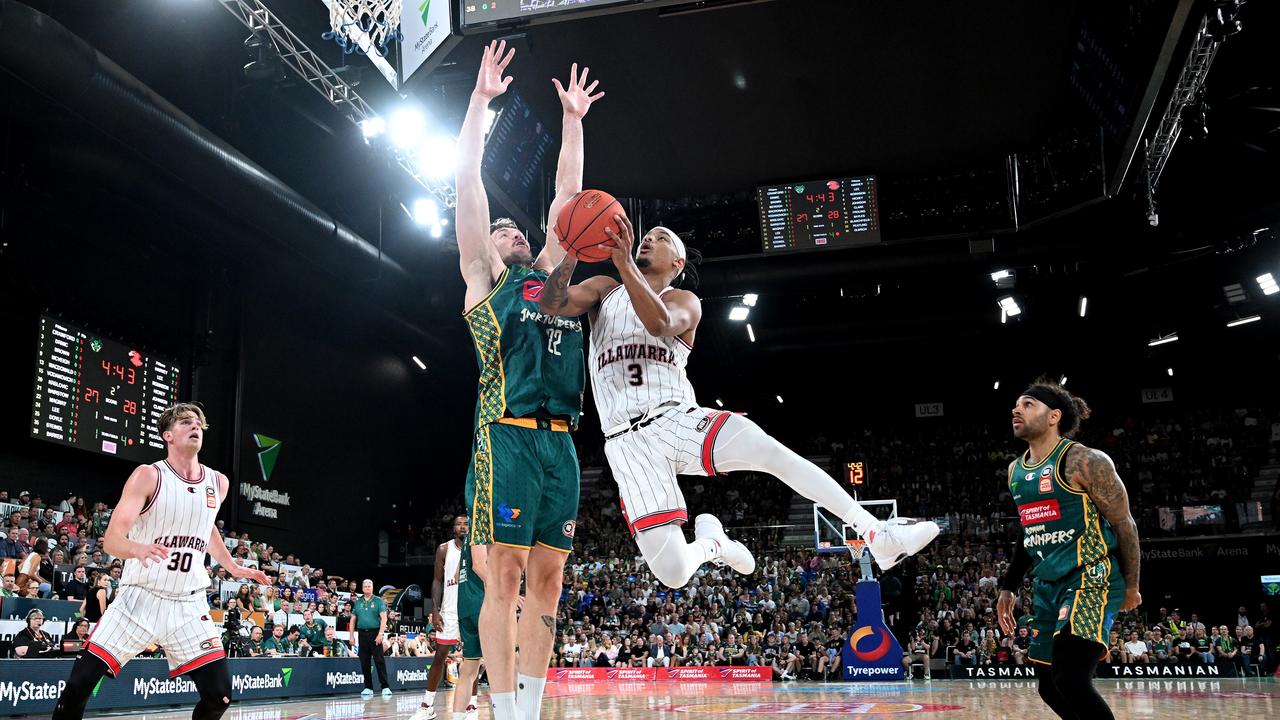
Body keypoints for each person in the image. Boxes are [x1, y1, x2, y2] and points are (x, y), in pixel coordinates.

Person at [539, 212, 939, 584]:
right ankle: (713, 543)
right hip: (624, 443)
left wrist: (625, 263)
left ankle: (875, 531)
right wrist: (573, 253)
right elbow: (550, 303)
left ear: (677, 263)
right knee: (673, 573)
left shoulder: (684, 301)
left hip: (674, 418)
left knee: (768, 449)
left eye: (660, 239)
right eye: (646, 237)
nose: (647, 241)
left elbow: (660, 324)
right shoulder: (604, 291)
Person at [454, 40, 604, 720]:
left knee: (549, 579)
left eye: (521, 229)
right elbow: (470, 189)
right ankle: (505, 711)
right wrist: (479, 106)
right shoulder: (486, 282)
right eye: (503, 230)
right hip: (506, 438)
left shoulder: (552, 282)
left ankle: (533, 708)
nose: (513, 232)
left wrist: (573, 121)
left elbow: (570, 200)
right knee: (505, 576)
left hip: (562, 443)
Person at [51, 403, 270, 720]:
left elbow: (204, 526)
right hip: (139, 598)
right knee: (79, 684)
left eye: (198, 422)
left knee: (219, 696)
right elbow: (112, 540)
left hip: (187, 605)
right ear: (168, 435)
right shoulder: (148, 476)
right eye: (185, 422)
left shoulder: (218, 483)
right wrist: (137, 549)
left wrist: (233, 566)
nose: (194, 425)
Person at [996, 380, 1141, 720]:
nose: (1017, 409)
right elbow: (1027, 530)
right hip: (1048, 585)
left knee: (1071, 678)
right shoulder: (1015, 471)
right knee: (1049, 684)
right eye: (1016, 404)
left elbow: (1125, 524)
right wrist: (1009, 585)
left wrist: (1132, 585)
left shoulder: (1085, 461)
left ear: (1054, 416)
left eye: (1028, 404)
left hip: (1091, 575)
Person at [415, 517, 467, 717]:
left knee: (473, 659)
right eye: (459, 524)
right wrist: (435, 609)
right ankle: (427, 706)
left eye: (466, 524)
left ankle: (471, 707)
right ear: (453, 528)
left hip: (472, 609)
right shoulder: (444, 548)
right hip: (450, 610)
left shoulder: (478, 548)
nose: (462, 527)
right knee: (440, 656)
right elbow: (437, 580)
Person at [352, 578, 392, 698]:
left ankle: (385, 687)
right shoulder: (358, 602)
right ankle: (368, 687)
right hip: (362, 634)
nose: (367, 588)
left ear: (372, 587)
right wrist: (351, 636)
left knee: (379, 660)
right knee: (364, 661)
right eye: (365, 586)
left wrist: (380, 634)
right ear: (363, 588)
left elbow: (384, 618)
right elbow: (353, 619)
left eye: (369, 586)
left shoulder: (378, 601)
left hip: (375, 633)